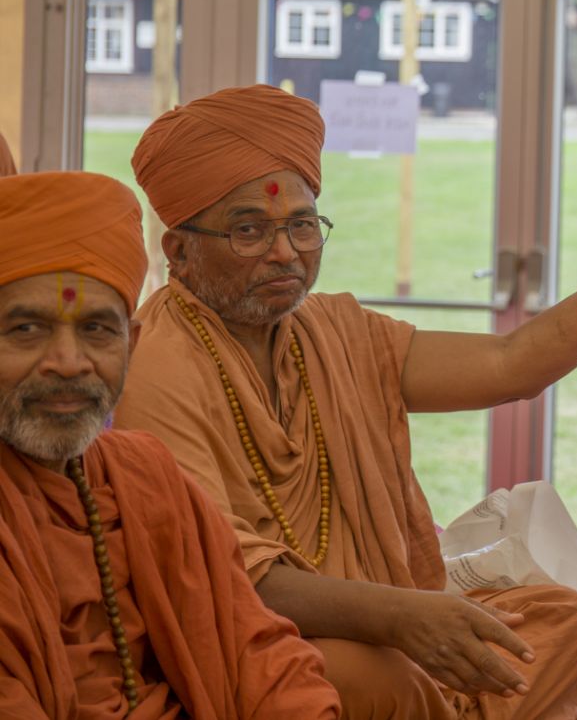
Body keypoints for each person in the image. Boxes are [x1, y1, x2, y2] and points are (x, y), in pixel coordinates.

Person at [112, 84, 577, 720]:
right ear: (178, 251)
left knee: (558, 619)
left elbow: (514, 364)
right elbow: (230, 576)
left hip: (380, 626)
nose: (285, 252)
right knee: (362, 673)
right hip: (264, 641)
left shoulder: (333, 331)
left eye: (301, 224)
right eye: (248, 230)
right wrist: (403, 618)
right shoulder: (160, 365)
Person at [0, 170, 339, 719]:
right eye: (25, 331)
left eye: (96, 330)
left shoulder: (145, 473)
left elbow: (258, 648)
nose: (68, 363)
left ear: (131, 345)